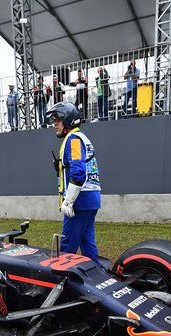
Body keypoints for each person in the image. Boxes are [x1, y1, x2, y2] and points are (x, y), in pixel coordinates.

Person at [44, 102, 101, 262]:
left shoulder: (73, 140)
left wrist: (68, 202)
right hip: (90, 199)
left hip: (80, 201)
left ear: (68, 120)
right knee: (88, 244)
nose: (54, 124)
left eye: (57, 120)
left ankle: (62, 283)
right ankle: (95, 276)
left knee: (67, 247)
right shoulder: (81, 138)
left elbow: (78, 172)